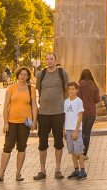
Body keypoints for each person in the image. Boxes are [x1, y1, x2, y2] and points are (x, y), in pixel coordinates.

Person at [0, 66, 34, 182]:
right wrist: (5, 123)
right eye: (21, 74)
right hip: (11, 122)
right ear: (17, 75)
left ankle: (18, 173)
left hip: (25, 122)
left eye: (25, 74)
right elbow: (6, 106)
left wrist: (34, 122)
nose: (22, 76)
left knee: (21, 147)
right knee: (7, 147)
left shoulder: (31, 89)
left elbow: (34, 106)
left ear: (28, 77)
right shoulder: (11, 88)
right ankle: (1, 174)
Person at [33, 52, 70, 180]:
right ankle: (42, 170)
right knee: (42, 142)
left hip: (58, 113)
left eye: (51, 59)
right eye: (47, 59)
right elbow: (39, 90)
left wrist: (62, 104)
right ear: (45, 61)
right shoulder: (41, 74)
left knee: (58, 142)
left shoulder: (62, 73)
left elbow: (66, 91)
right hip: (43, 113)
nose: (49, 61)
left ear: (55, 60)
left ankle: (58, 169)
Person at [62, 82, 86, 179]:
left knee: (79, 150)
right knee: (72, 151)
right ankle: (76, 169)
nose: (71, 91)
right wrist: (64, 129)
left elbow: (80, 117)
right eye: (69, 89)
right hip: (68, 129)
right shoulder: (66, 102)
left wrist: (76, 130)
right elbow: (65, 115)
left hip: (76, 129)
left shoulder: (78, 101)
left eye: (73, 89)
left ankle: (83, 170)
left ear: (76, 90)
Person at [76, 69, 100, 163]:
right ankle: (85, 153)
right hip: (91, 112)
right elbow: (97, 99)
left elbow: (78, 98)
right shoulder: (94, 85)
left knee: (80, 132)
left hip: (81, 112)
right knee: (87, 133)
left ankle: (80, 152)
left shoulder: (79, 85)